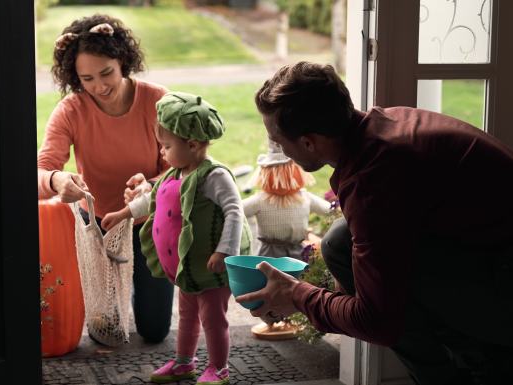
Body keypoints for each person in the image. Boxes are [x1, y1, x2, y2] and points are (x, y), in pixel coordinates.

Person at [236, 61, 513, 384]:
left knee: (349, 257)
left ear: (309, 141)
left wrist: (297, 295)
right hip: (485, 256)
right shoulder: (382, 127)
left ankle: (468, 370)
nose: (279, 149)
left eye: (278, 140)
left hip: (503, 285)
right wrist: (323, 296)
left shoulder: (375, 178)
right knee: (340, 242)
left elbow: (377, 322)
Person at [37, 14, 174, 344]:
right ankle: (111, 296)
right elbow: (40, 170)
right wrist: (56, 180)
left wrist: (151, 187)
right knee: (104, 333)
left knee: (155, 332)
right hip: (95, 229)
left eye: (106, 73)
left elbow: (181, 170)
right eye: (87, 78)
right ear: (75, 78)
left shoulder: (158, 101)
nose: (99, 86)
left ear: (123, 60)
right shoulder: (71, 110)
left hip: (149, 224)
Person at [101, 91, 251, 385]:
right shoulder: (175, 173)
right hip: (188, 269)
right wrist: (123, 213)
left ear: (193, 145)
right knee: (186, 316)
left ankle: (219, 368)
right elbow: (152, 200)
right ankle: (184, 362)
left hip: (211, 269)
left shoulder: (214, 176)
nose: (162, 153)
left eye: (167, 146)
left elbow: (235, 212)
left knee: (213, 319)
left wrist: (225, 252)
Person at [242, 139, 332, 340]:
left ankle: (284, 319)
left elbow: (236, 211)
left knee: (282, 286)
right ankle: (276, 320)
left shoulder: (261, 199)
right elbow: (330, 210)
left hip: (278, 253)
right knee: (280, 286)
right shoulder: (302, 197)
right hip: (283, 253)